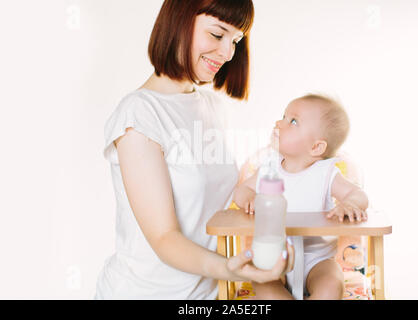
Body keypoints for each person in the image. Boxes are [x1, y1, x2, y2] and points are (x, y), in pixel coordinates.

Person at [95, 0, 294, 299]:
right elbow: (164, 238)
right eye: (217, 35)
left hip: (209, 293)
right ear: (179, 21)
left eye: (236, 41)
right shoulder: (139, 114)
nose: (228, 53)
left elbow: (222, 201)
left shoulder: (211, 106)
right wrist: (232, 268)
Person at [232, 94, 369, 300]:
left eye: (292, 121)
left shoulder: (326, 173)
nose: (279, 123)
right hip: (274, 255)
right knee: (264, 287)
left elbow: (358, 195)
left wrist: (349, 204)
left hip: (318, 260)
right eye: (283, 116)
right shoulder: (269, 168)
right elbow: (241, 191)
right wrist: (250, 198)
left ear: (316, 147)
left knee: (332, 286)